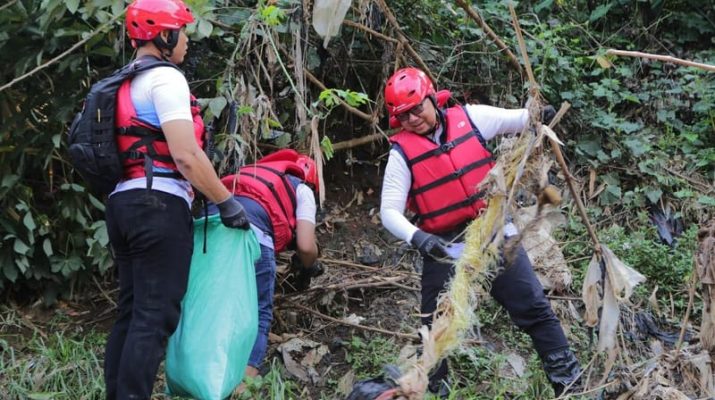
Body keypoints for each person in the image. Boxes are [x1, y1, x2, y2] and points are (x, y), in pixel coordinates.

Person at [379, 67, 581, 396]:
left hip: (493, 231)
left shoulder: (471, 118)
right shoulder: (401, 154)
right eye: (404, 115)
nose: (413, 119)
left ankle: (571, 386)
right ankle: (434, 392)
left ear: (432, 98)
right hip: (442, 245)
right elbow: (388, 210)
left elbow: (522, 119)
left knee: (534, 308)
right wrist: (420, 239)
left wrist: (538, 115)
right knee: (432, 329)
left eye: (417, 108)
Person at [103, 0, 250, 398]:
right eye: (182, 31)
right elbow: (185, 154)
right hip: (158, 205)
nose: (186, 39)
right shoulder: (166, 80)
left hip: (123, 205)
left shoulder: (124, 81)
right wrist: (226, 201)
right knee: (153, 316)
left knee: (132, 312)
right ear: (164, 35)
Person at [219, 149, 323, 382]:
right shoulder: (302, 188)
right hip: (252, 234)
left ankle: (203, 374)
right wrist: (309, 264)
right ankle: (243, 385)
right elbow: (306, 247)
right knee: (258, 312)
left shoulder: (248, 173)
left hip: (208, 233)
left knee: (213, 305)